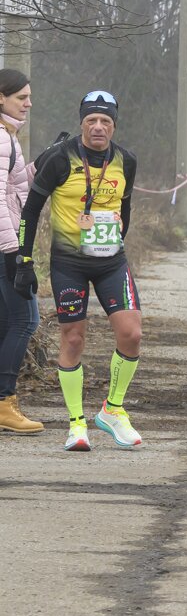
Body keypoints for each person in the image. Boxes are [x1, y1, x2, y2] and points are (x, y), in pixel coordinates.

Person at [14, 90, 145, 450]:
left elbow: (126, 207)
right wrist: (24, 260)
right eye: (91, 120)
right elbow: (30, 210)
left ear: (114, 125)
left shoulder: (126, 161)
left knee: (132, 334)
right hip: (68, 262)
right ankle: (76, 424)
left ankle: (112, 410)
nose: (98, 127)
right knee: (73, 338)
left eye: (105, 121)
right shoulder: (61, 157)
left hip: (111, 262)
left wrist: (116, 234)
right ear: (82, 123)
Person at [0, 69, 43, 435]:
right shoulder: (1, 138)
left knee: (6, 322)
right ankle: (4, 402)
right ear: (1, 97)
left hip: (6, 242)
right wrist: (14, 252)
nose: (28, 103)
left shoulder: (8, 136)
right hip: (5, 244)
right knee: (26, 319)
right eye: (21, 97)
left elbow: (14, 187)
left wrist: (41, 165)